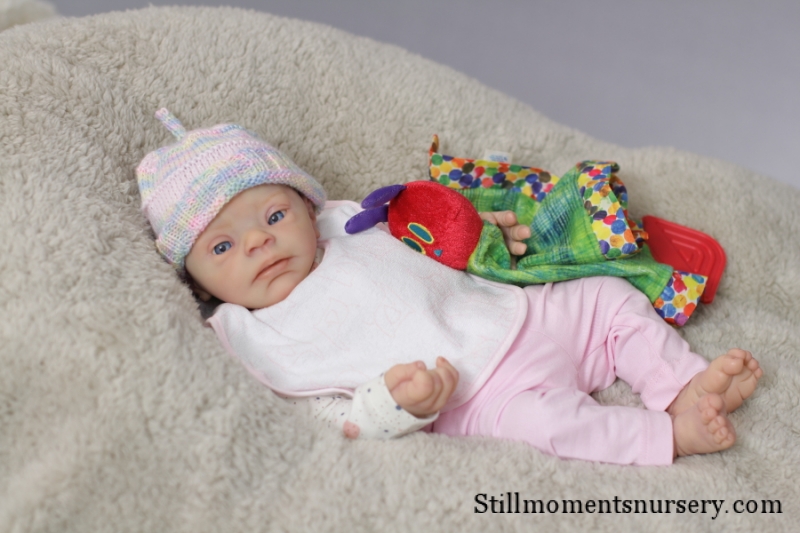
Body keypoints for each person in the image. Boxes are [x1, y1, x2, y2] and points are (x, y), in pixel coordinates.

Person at [136, 109, 762, 465]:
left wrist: (480, 227)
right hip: (477, 393)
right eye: (222, 247)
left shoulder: (351, 226)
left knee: (608, 297)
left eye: (274, 215)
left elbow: (442, 232)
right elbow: (334, 420)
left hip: (521, 314)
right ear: (196, 277)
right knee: (548, 425)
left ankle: (680, 385)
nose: (258, 242)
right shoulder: (253, 334)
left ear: (306, 206)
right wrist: (396, 403)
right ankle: (667, 436)